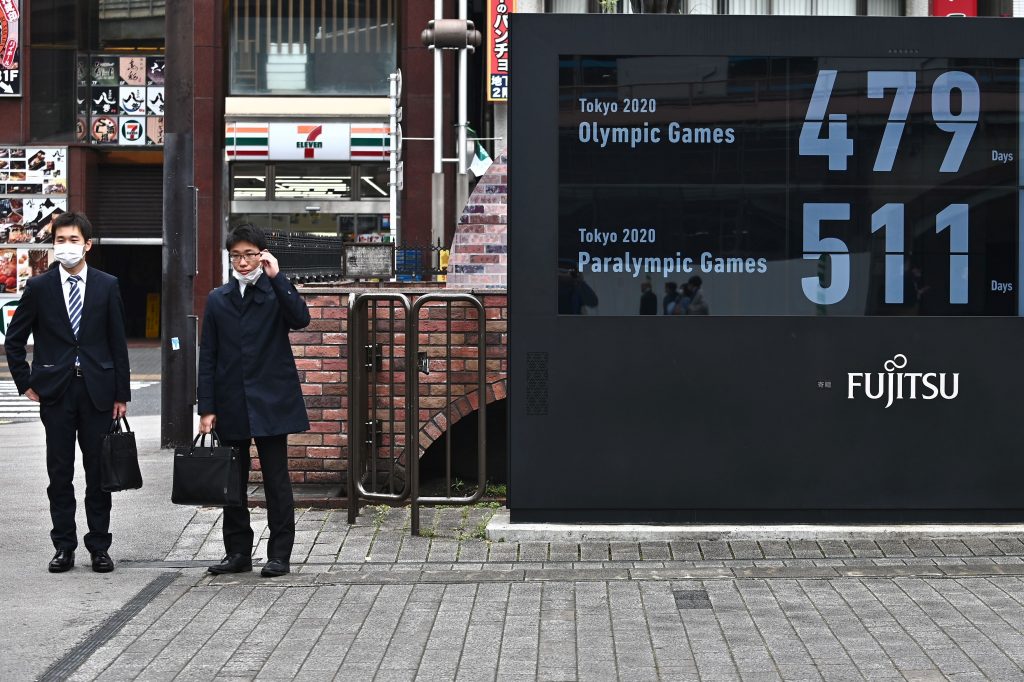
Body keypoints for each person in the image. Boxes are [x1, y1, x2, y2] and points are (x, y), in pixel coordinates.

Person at [4, 212, 130, 573]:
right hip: (55, 393)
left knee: (98, 474)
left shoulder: (107, 285)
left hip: (98, 393)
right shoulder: (40, 287)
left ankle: (99, 546)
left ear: (87, 245)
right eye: (60, 240)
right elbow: (15, 340)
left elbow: (116, 342)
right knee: (59, 473)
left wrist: (121, 393)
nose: (66, 246)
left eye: (73, 240)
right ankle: (64, 546)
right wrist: (25, 382)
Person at [198, 224, 311, 578]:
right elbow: (209, 357)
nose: (243, 262)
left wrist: (278, 277)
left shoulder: (276, 292)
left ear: (262, 255)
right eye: (236, 255)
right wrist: (207, 408)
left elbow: (301, 318)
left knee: (276, 480)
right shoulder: (218, 298)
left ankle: (280, 554)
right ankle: (237, 553)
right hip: (231, 401)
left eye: (249, 254)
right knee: (233, 481)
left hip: (271, 400)